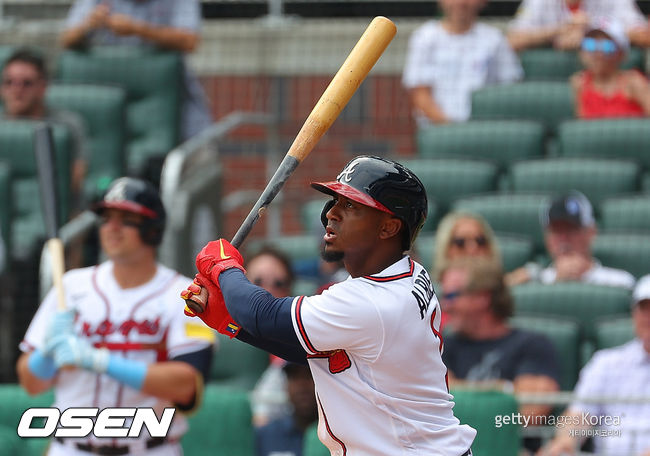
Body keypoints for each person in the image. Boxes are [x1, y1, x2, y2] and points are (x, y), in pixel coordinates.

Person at [182, 155, 476, 454]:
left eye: (350, 205)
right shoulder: (406, 274)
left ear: (388, 227)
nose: (331, 214)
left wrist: (224, 267)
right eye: (335, 201)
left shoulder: (373, 301)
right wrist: (231, 323)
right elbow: (324, 355)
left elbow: (262, 315)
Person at [16, 177, 215, 456]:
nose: (112, 227)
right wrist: (46, 353)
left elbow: (186, 385)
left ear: (152, 230)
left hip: (148, 449)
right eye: (107, 218)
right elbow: (31, 383)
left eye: (126, 219)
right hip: (71, 448)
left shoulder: (183, 295)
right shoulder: (71, 287)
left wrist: (98, 360)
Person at [61, 0, 212, 141]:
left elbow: (190, 41)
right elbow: (66, 40)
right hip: (112, 98)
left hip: (173, 104)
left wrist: (137, 29)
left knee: (199, 153)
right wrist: (88, 25)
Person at [539, 275, 650, 456]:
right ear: (634, 313)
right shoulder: (606, 363)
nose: (648, 317)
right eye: (644, 309)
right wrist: (565, 442)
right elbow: (579, 414)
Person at [439, 257, 560, 419]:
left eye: (452, 295)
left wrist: (459, 393)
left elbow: (532, 410)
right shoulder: (443, 346)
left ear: (483, 297)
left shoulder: (532, 344)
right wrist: (505, 389)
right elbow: (435, 401)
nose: (445, 305)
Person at [402, 0, 522, 127]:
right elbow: (420, 95)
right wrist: (451, 128)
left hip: (485, 131)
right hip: (437, 133)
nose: (461, 3)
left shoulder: (494, 39)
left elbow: (509, 89)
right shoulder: (424, 37)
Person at [1, 48, 88, 208]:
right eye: (9, 82)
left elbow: (75, 179)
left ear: (42, 88)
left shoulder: (67, 125)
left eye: (26, 83)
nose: (16, 90)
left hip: (53, 211)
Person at [506, 191, 636, 288]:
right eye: (556, 231)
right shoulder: (533, 283)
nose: (563, 238)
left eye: (571, 229)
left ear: (591, 232)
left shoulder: (619, 282)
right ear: (546, 237)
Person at [246, 245, 297, 427]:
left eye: (278, 284)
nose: (265, 292)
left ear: (289, 290)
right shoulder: (215, 337)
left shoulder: (298, 341)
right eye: (257, 282)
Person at [571, 17, 650, 119]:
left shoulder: (634, 82)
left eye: (607, 46)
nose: (597, 53)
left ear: (621, 54)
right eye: (590, 44)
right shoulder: (578, 83)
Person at [507, 0, 649, 52]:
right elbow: (512, 41)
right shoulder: (538, 2)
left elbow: (645, 36)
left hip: (607, 74)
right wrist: (560, 29)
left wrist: (591, 29)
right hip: (555, 79)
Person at [256, 362, 318, 456]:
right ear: (286, 385)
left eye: (310, 375)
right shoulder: (266, 435)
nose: (302, 384)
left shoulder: (339, 433)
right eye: (294, 377)